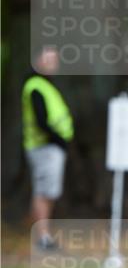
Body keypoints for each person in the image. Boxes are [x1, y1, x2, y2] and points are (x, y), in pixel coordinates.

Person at [22, 48, 74, 250]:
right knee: (43, 192)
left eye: (54, 60)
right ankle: (42, 237)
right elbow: (41, 120)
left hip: (50, 148)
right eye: (48, 59)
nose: (52, 64)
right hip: (44, 147)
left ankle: (44, 236)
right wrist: (58, 139)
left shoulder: (46, 86)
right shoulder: (36, 86)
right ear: (37, 62)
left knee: (48, 192)